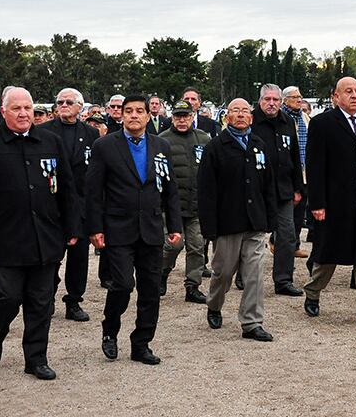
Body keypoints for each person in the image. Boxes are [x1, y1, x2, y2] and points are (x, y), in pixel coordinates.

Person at [0, 87, 79, 380]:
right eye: (16, 108)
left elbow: (66, 189)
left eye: (28, 108)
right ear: (3, 112)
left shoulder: (51, 142)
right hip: (8, 235)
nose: (24, 113)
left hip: (47, 235)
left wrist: (72, 226)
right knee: (8, 295)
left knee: (42, 301)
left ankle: (36, 358)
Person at [86, 94, 182, 365]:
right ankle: (110, 331)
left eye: (140, 111)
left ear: (148, 115)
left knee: (151, 289)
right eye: (128, 111)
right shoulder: (104, 146)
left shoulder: (161, 145)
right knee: (124, 284)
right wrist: (95, 228)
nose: (134, 116)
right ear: (121, 115)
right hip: (118, 228)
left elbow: (170, 189)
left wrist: (174, 225)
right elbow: (93, 192)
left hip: (151, 228)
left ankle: (141, 343)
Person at [303, 77, 356, 328]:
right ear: (335, 96)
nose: (354, 95)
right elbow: (315, 167)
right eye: (348, 91)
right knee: (329, 254)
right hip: (336, 202)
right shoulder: (322, 124)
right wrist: (317, 203)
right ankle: (313, 291)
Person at [198, 98, 277, 341]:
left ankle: (252, 322)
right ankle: (214, 304)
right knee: (223, 272)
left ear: (251, 117)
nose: (241, 115)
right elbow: (206, 190)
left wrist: (270, 219)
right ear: (227, 116)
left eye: (245, 111)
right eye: (235, 111)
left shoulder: (259, 145)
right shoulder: (216, 147)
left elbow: (268, 185)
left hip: (255, 222)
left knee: (254, 274)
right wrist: (209, 227)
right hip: (227, 222)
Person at [39, 88, 100, 321]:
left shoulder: (91, 135)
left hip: (81, 206)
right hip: (52, 206)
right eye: (60, 102)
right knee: (51, 257)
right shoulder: (42, 132)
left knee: (78, 258)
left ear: (80, 107)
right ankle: (46, 298)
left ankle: (74, 301)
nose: (63, 105)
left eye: (69, 102)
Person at [252, 83, 305, 296]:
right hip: (256, 190)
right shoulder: (251, 120)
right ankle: (243, 276)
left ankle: (283, 280)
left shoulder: (288, 122)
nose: (272, 104)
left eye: (275, 100)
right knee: (251, 237)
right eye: (268, 100)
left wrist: (298, 188)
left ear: (281, 102)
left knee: (287, 235)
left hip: (283, 189)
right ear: (260, 101)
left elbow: (294, 156)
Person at [158, 100, 211, 302]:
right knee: (173, 246)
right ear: (172, 118)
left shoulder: (203, 139)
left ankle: (192, 286)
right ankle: (162, 274)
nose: (182, 120)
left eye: (185, 116)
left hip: (197, 206)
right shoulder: (162, 140)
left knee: (197, 247)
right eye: (178, 116)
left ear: (192, 117)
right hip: (171, 207)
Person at [281, 86, 310, 259]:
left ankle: (295, 244)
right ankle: (278, 241)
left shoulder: (304, 117)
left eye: (300, 97)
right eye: (294, 97)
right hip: (287, 170)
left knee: (299, 212)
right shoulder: (282, 118)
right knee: (286, 212)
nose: (299, 100)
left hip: (304, 171)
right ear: (285, 100)